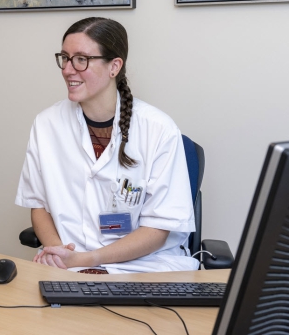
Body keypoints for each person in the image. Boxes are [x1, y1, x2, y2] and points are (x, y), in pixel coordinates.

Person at [15, 17, 200, 274]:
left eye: (82, 59)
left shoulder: (158, 129)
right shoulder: (47, 124)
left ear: (114, 66)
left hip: (145, 267)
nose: (68, 69)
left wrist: (87, 260)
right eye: (65, 58)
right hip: (67, 265)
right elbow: (39, 207)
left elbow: (158, 229)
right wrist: (61, 255)